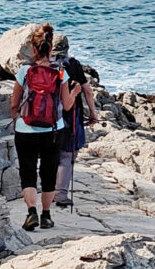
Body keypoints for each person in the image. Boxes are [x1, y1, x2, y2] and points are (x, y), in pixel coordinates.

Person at [10, 23, 82, 231]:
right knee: (49, 173)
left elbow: (14, 103)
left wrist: (18, 120)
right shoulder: (60, 73)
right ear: (50, 48)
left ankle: (31, 212)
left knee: (28, 172)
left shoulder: (25, 71)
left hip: (26, 130)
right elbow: (67, 105)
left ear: (33, 48)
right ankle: (46, 216)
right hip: (53, 130)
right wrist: (75, 92)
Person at [53, 49, 100, 209]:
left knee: (52, 153)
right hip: (70, 115)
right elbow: (87, 90)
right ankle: (60, 195)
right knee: (68, 155)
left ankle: (48, 190)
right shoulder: (72, 65)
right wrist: (93, 113)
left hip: (46, 116)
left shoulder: (44, 64)